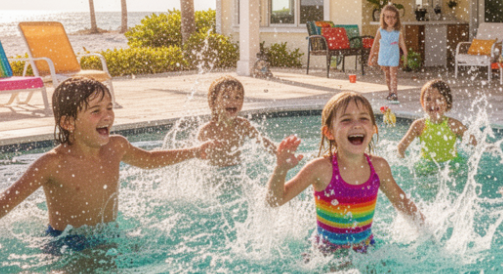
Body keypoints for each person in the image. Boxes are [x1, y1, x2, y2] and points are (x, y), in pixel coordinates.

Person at [0, 78, 210, 235]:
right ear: (68, 123)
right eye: (96, 111)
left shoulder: (117, 146)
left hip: (108, 234)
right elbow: (7, 202)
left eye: (109, 108)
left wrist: (194, 152)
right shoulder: (53, 163)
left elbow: (150, 159)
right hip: (66, 244)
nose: (107, 116)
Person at [267, 91, 424, 251]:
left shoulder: (379, 167)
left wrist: (427, 232)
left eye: (363, 118)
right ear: (329, 132)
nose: (357, 125)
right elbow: (275, 201)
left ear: (373, 129)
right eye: (346, 120)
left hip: (366, 249)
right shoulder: (321, 168)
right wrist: (281, 169)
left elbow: (402, 202)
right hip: (325, 253)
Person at [197, 75, 275, 166]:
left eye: (237, 97)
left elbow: (262, 141)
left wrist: (279, 152)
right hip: (215, 172)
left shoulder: (243, 124)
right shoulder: (207, 130)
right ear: (214, 101)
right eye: (226, 97)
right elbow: (197, 155)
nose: (233, 101)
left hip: (238, 169)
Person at [397, 79, 477, 163]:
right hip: (426, 168)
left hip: (450, 167)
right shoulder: (419, 125)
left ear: (447, 103)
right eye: (428, 99)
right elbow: (401, 147)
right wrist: (405, 162)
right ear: (422, 103)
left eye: (439, 99)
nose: (433, 103)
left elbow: (473, 143)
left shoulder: (454, 125)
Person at [368, 3, 405, 103]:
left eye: (393, 17)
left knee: (393, 74)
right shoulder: (380, 31)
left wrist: (406, 55)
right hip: (384, 55)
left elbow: (401, 43)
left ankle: (394, 93)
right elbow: (375, 45)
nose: (390, 20)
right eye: (388, 17)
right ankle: (390, 92)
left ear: (397, 19)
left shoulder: (398, 31)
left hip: (393, 55)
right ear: (383, 18)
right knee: (387, 75)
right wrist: (371, 57)